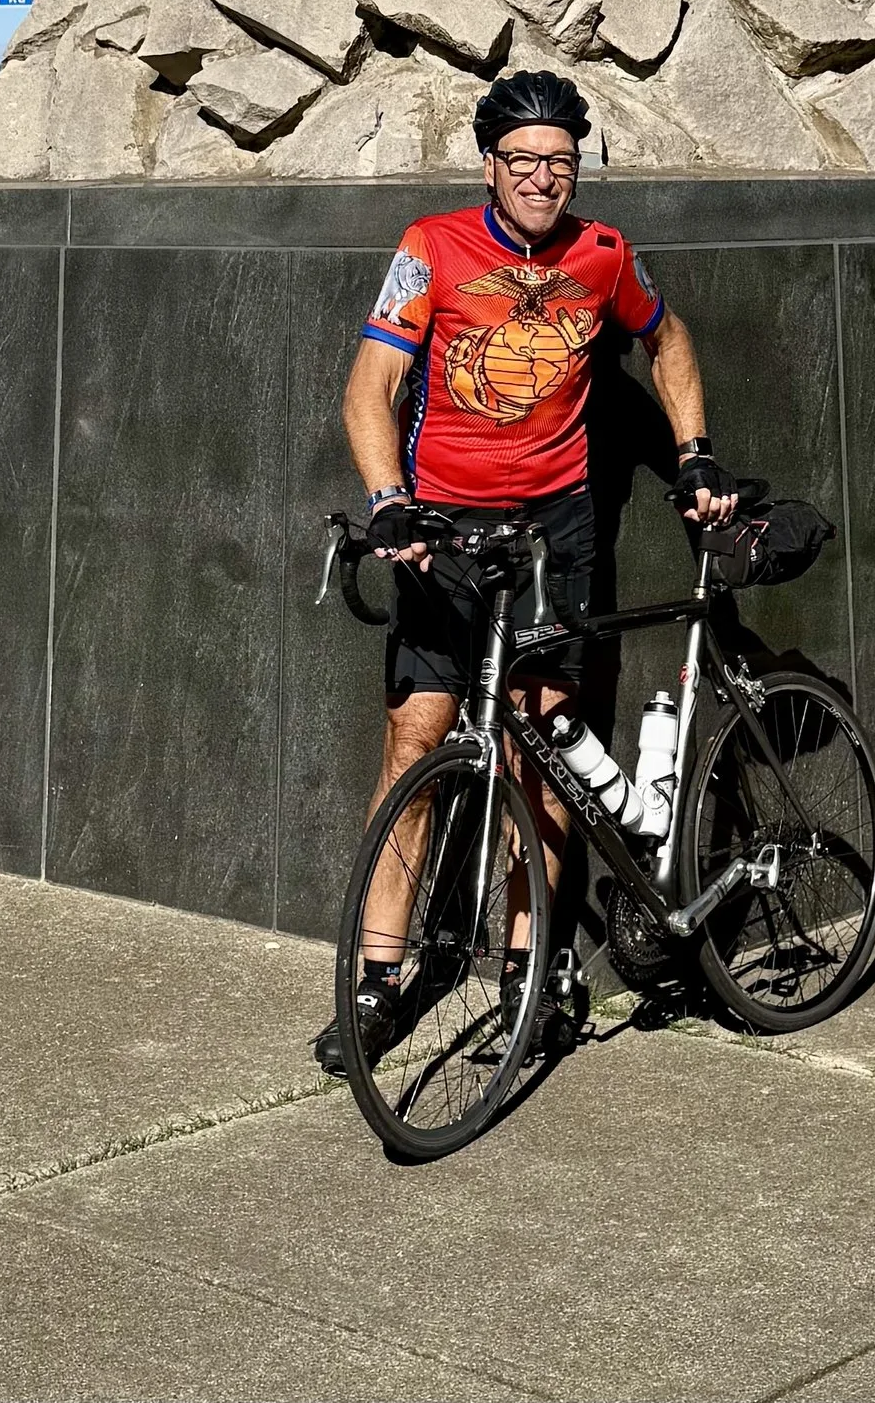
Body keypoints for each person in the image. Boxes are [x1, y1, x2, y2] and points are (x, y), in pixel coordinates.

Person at [318, 67, 737, 1071]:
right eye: (524, 161)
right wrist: (388, 504)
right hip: (445, 530)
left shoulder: (602, 255)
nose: (544, 178)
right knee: (417, 740)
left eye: (560, 160)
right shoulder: (431, 249)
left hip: (556, 531)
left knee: (539, 750)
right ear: (490, 165)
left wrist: (693, 453)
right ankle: (382, 978)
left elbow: (667, 339)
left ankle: (532, 972)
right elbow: (369, 390)